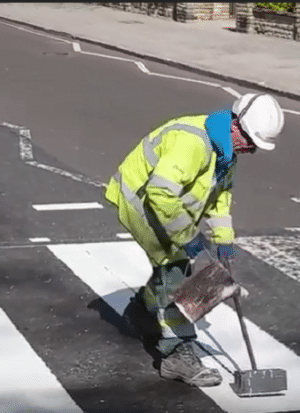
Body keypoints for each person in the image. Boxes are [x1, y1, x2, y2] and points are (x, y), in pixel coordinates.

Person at [103, 93, 285, 387]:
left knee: (176, 268)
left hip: (165, 205)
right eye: (251, 142)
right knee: (179, 275)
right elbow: (160, 194)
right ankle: (176, 355)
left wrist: (224, 240)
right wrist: (187, 237)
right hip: (140, 201)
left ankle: (142, 312)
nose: (252, 150)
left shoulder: (225, 155)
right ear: (235, 126)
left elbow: (219, 199)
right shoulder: (193, 143)